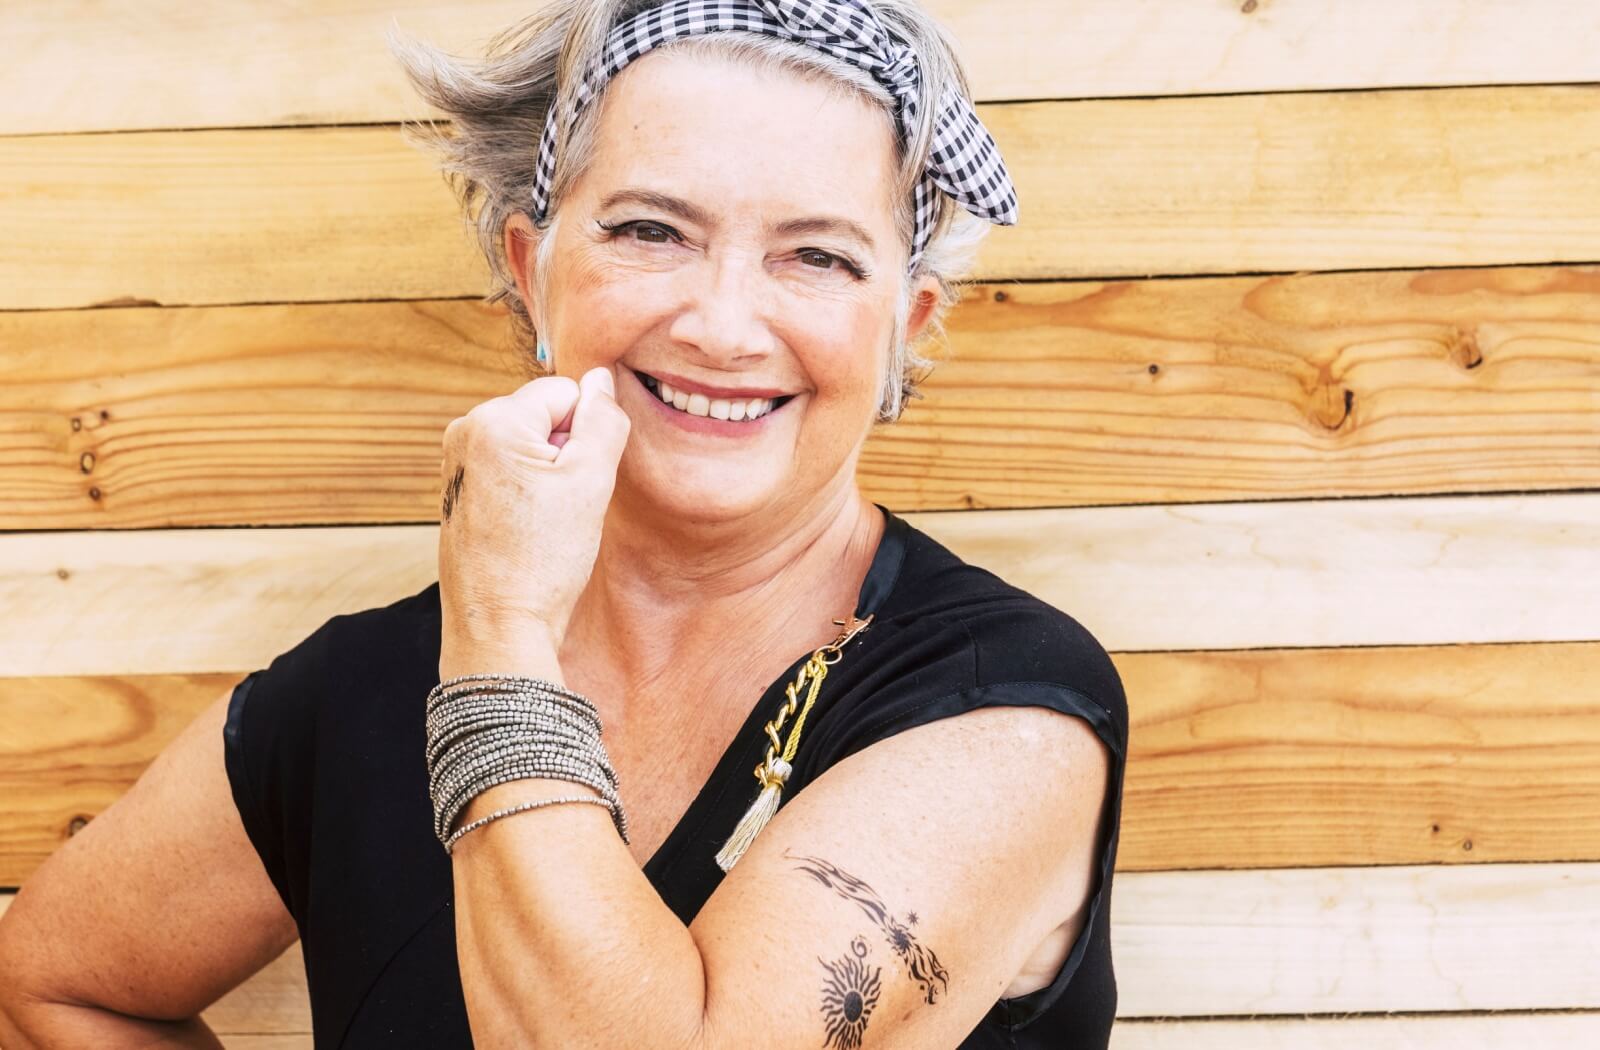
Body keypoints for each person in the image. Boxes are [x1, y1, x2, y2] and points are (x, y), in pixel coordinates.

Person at [0, 2, 1128, 1047]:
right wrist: (494, 628)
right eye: (650, 232)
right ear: (533, 272)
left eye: (818, 257)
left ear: (901, 329)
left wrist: (496, 642)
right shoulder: (357, 691)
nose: (724, 324)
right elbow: (50, 982)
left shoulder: (1005, 710)